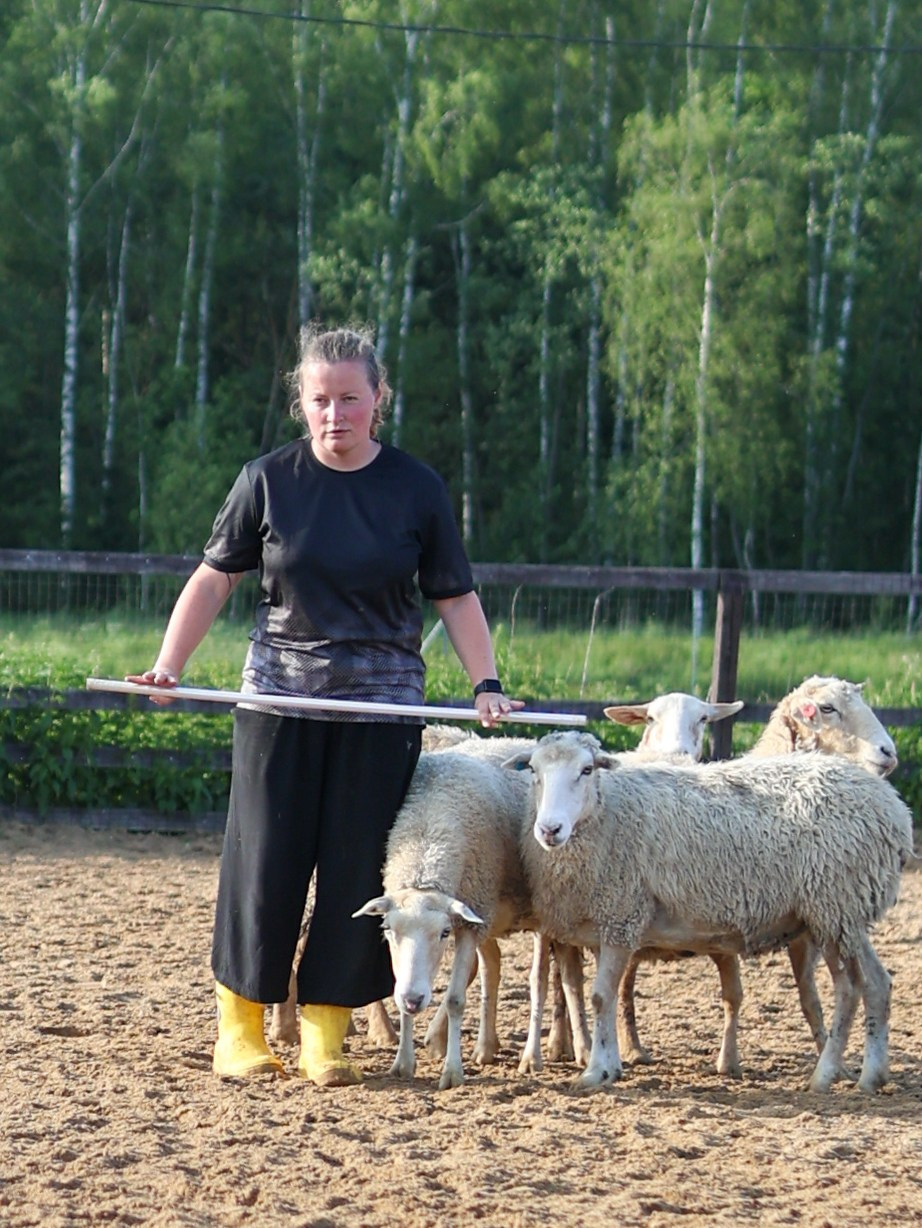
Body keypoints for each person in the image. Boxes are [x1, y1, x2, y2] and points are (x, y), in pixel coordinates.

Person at [126, 323, 521, 1087]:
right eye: (319, 400)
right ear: (301, 405)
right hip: (279, 705)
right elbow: (213, 579)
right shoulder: (267, 480)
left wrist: (488, 685)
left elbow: (455, 596)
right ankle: (239, 1029)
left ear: (378, 399)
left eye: (349, 398)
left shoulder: (416, 489)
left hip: (381, 718)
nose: (334, 413)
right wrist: (169, 664)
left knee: (354, 874)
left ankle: (324, 1034)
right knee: (263, 864)